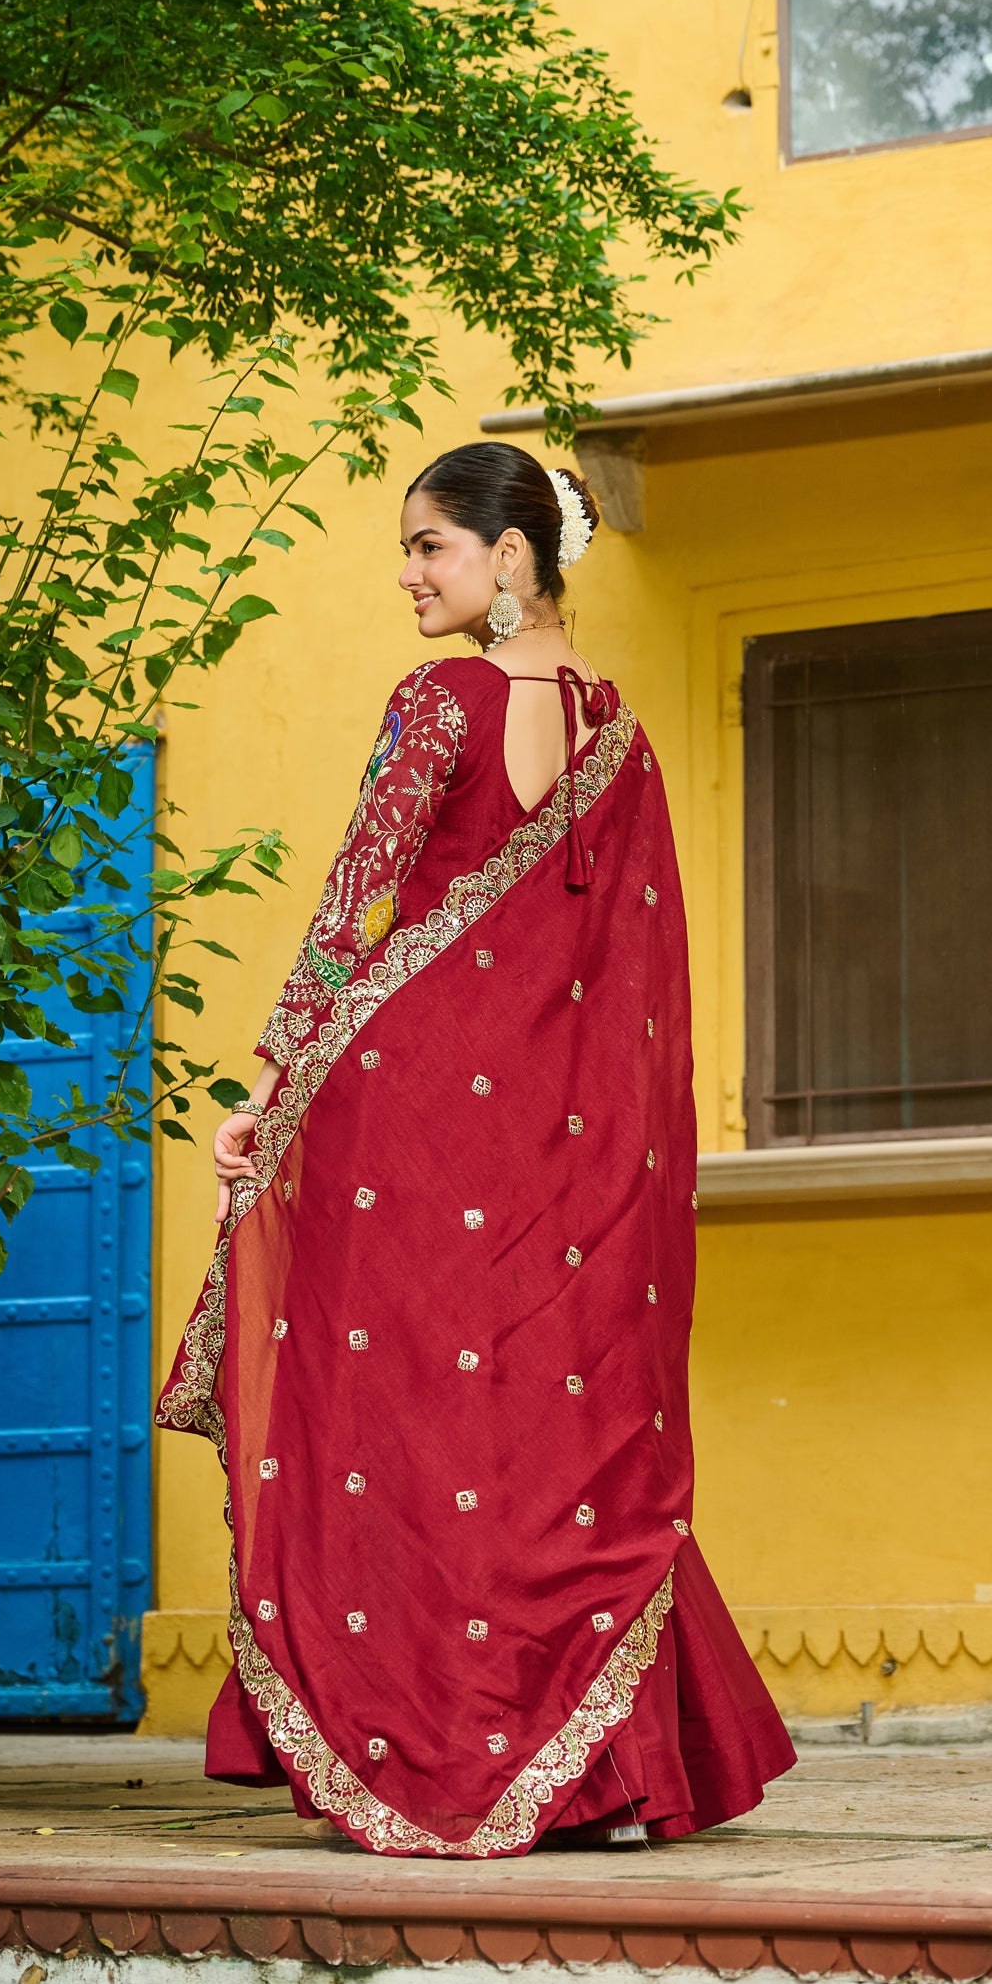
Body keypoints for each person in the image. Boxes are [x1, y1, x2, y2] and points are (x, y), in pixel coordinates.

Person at [156, 440, 795, 1856]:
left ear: (510, 557)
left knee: (398, 1423)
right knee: (536, 1425)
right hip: (550, 1156)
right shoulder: (617, 730)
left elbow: (352, 904)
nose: (408, 574)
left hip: (405, 1119)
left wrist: (269, 1084)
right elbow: (632, 992)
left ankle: (421, 1726)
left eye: (430, 546)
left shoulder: (438, 700)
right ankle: (590, 1766)